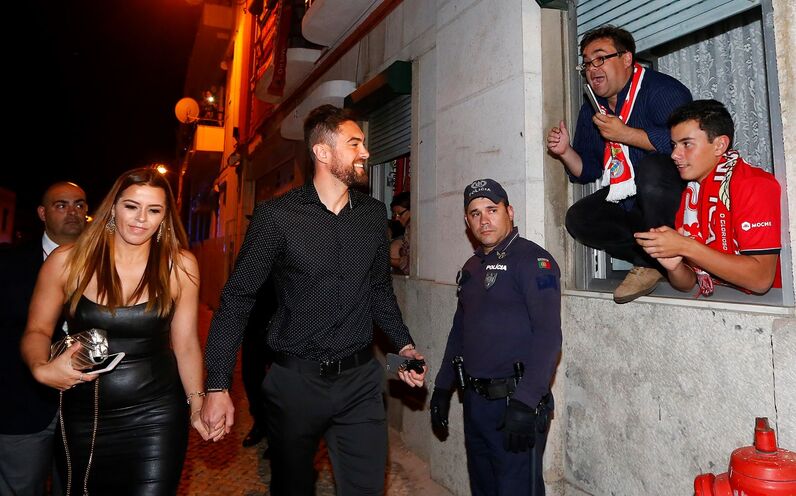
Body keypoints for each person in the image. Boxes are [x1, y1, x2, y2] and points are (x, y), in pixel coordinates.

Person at [202, 104, 427, 496]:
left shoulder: (373, 216)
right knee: (292, 487)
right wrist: (218, 384)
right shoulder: (277, 217)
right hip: (296, 382)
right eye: (354, 143)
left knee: (366, 488)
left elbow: (379, 291)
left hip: (360, 381)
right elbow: (237, 300)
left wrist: (404, 345)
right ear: (322, 152)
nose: (366, 152)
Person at [20, 168, 211, 495]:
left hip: (157, 414)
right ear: (113, 208)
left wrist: (196, 403)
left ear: (165, 217)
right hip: (85, 414)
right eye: (131, 206)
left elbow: (186, 344)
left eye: (154, 210)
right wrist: (40, 367)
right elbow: (37, 329)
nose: (141, 219)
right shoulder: (67, 261)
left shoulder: (179, 265)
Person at [430, 179, 562, 496]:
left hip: (516, 401)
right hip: (476, 402)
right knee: (484, 488)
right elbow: (459, 331)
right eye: (475, 213)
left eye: (492, 209)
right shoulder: (472, 266)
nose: (484, 220)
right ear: (467, 221)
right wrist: (442, 387)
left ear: (509, 212)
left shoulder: (533, 261)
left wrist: (525, 402)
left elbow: (548, 337)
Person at [546, 25, 692, 303]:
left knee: (651, 168)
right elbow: (587, 170)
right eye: (587, 63)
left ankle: (668, 253)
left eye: (600, 58)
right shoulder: (591, 108)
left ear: (626, 59)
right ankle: (651, 262)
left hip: (675, 199)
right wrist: (565, 152)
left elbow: (685, 144)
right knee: (579, 218)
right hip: (633, 200)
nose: (592, 68)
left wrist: (626, 134)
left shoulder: (662, 90)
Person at [634, 99, 781, 296]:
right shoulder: (691, 194)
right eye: (674, 145)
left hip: (769, 305)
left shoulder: (753, 184)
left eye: (687, 144)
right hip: (718, 302)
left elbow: (761, 279)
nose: (674, 154)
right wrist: (674, 267)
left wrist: (686, 246)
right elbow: (688, 284)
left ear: (720, 145)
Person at [0, 182, 87, 496]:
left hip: (86, 407)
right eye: (61, 205)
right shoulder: (9, 264)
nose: (72, 212)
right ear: (42, 213)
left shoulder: (109, 264)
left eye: (79, 204)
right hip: (21, 403)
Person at [389, 191, 411, 274]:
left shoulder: (413, 228)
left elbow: (410, 266)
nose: (397, 219)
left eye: (399, 214)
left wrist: (385, 260)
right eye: (395, 215)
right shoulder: (407, 228)